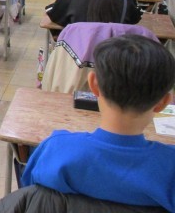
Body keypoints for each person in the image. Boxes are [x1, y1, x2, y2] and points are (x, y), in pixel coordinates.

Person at [22, 34, 175, 211]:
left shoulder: (55, 149)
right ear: (164, 102)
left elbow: (31, 196)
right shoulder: (170, 167)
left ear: (93, 85)